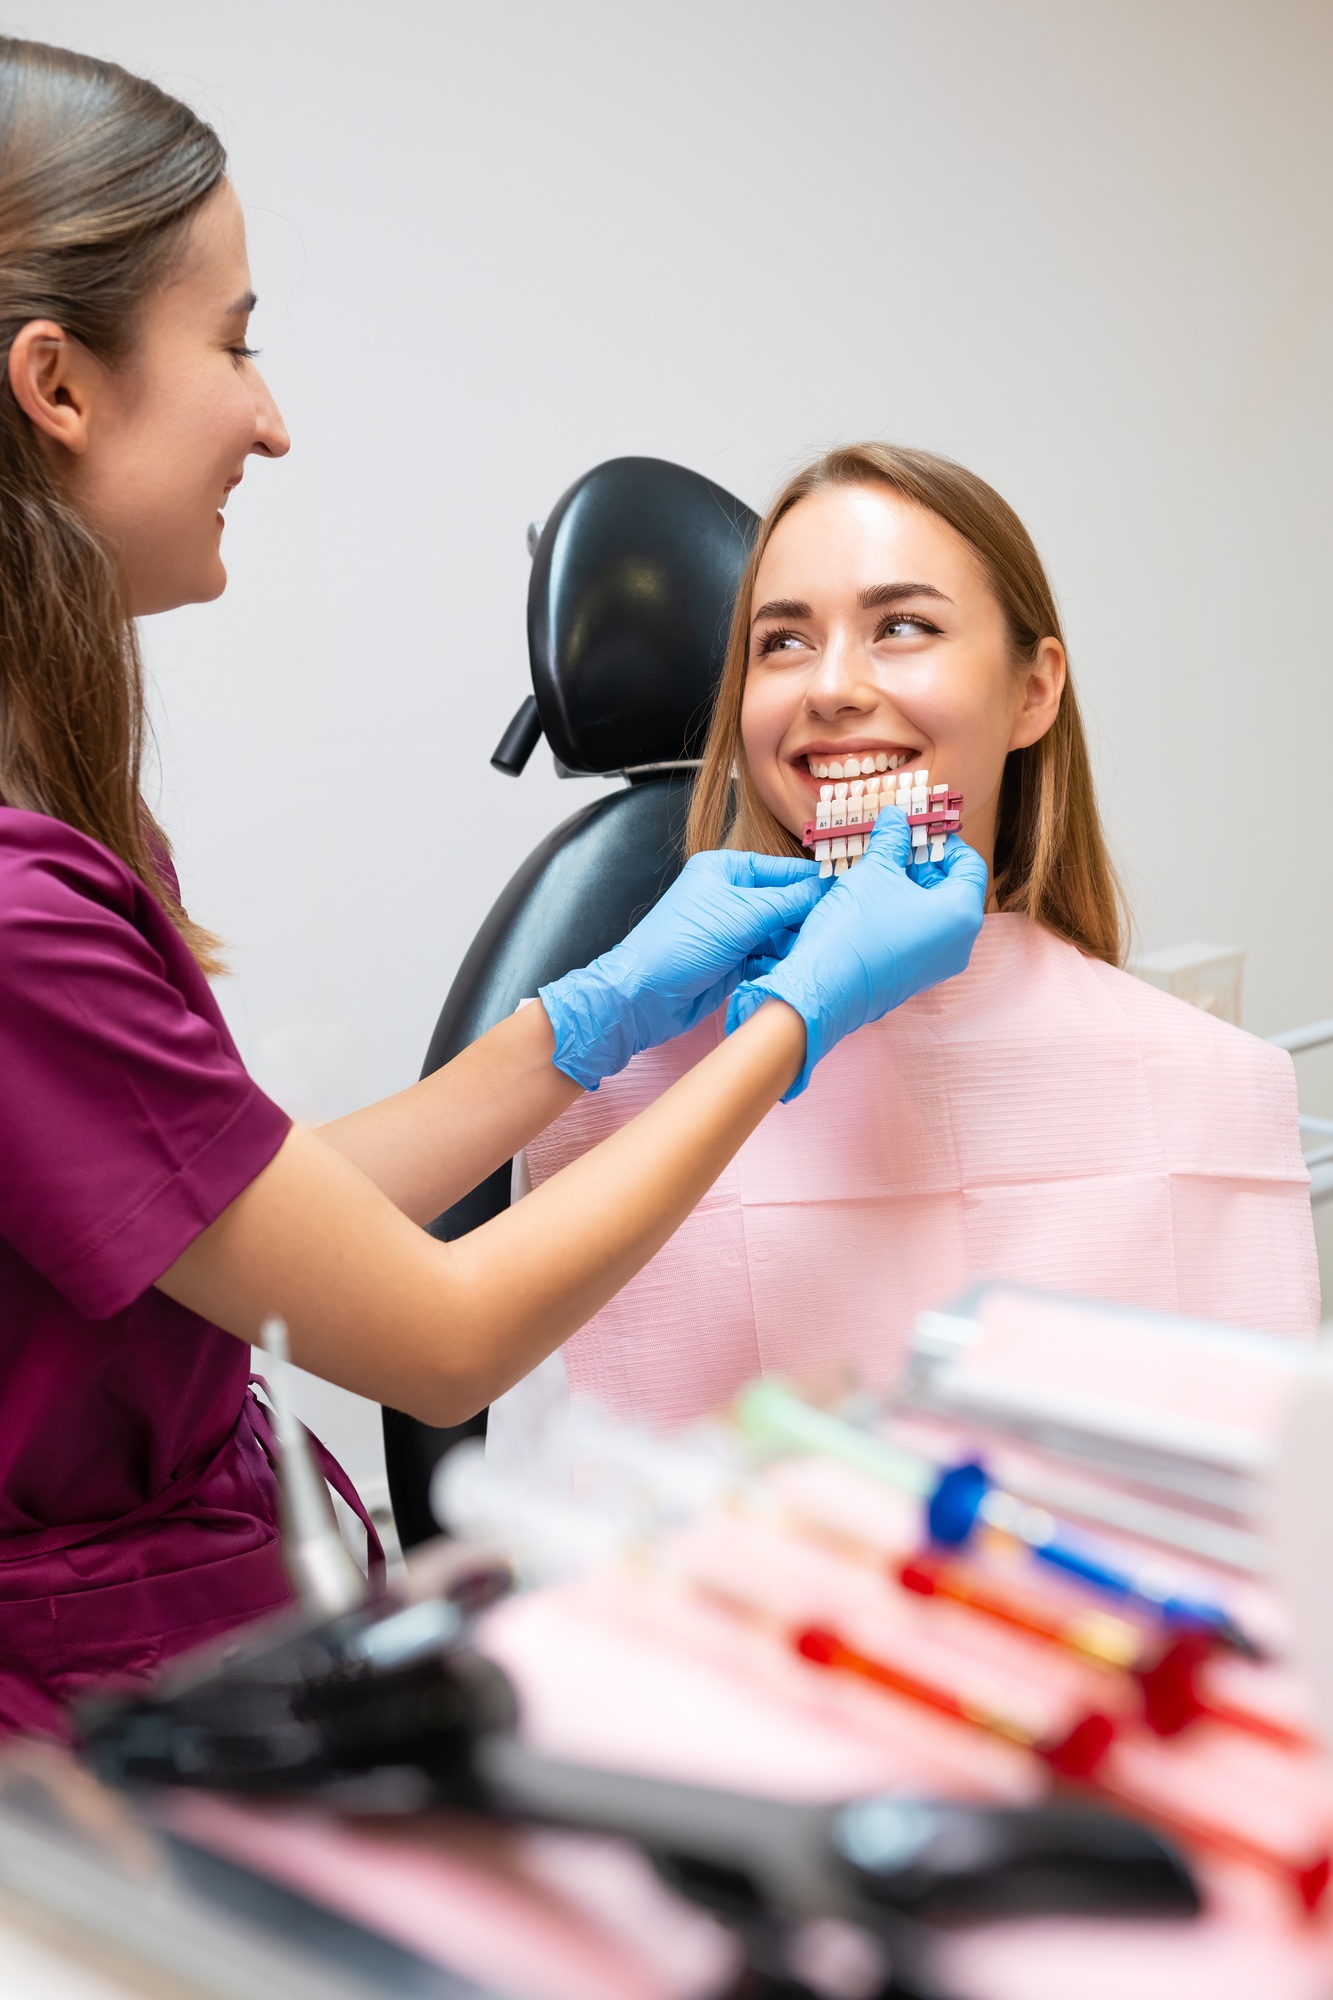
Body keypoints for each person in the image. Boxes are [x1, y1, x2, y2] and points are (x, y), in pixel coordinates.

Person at [0, 44, 991, 1736]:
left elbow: (243, 1208)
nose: (272, 416)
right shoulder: (16, 916)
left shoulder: (70, 822)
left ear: (1033, 687)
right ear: (59, 382)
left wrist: (588, 1021)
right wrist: (781, 1024)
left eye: (904, 626)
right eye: (233, 343)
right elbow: (440, 1341)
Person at [500, 443, 1319, 1445]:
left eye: (901, 625)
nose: (831, 688)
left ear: (1033, 690)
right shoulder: (604, 1101)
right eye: (783, 641)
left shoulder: (1207, 1086)